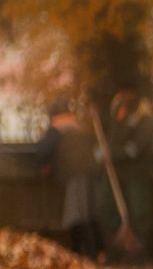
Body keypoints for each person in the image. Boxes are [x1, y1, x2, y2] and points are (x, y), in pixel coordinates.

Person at [33, 103, 102, 257]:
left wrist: (47, 164)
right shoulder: (78, 126)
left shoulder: (58, 126)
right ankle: (80, 252)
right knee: (84, 214)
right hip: (90, 175)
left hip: (75, 175)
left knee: (78, 216)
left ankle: (90, 255)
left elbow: (42, 152)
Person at [104, 89, 153, 261]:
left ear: (133, 92)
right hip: (117, 173)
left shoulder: (143, 111)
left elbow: (139, 146)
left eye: (125, 92)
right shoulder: (117, 106)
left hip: (137, 172)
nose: (122, 95)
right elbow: (113, 135)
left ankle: (139, 255)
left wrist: (115, 153)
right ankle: (114, 253)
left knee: (139, 212)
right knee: (109, 210)